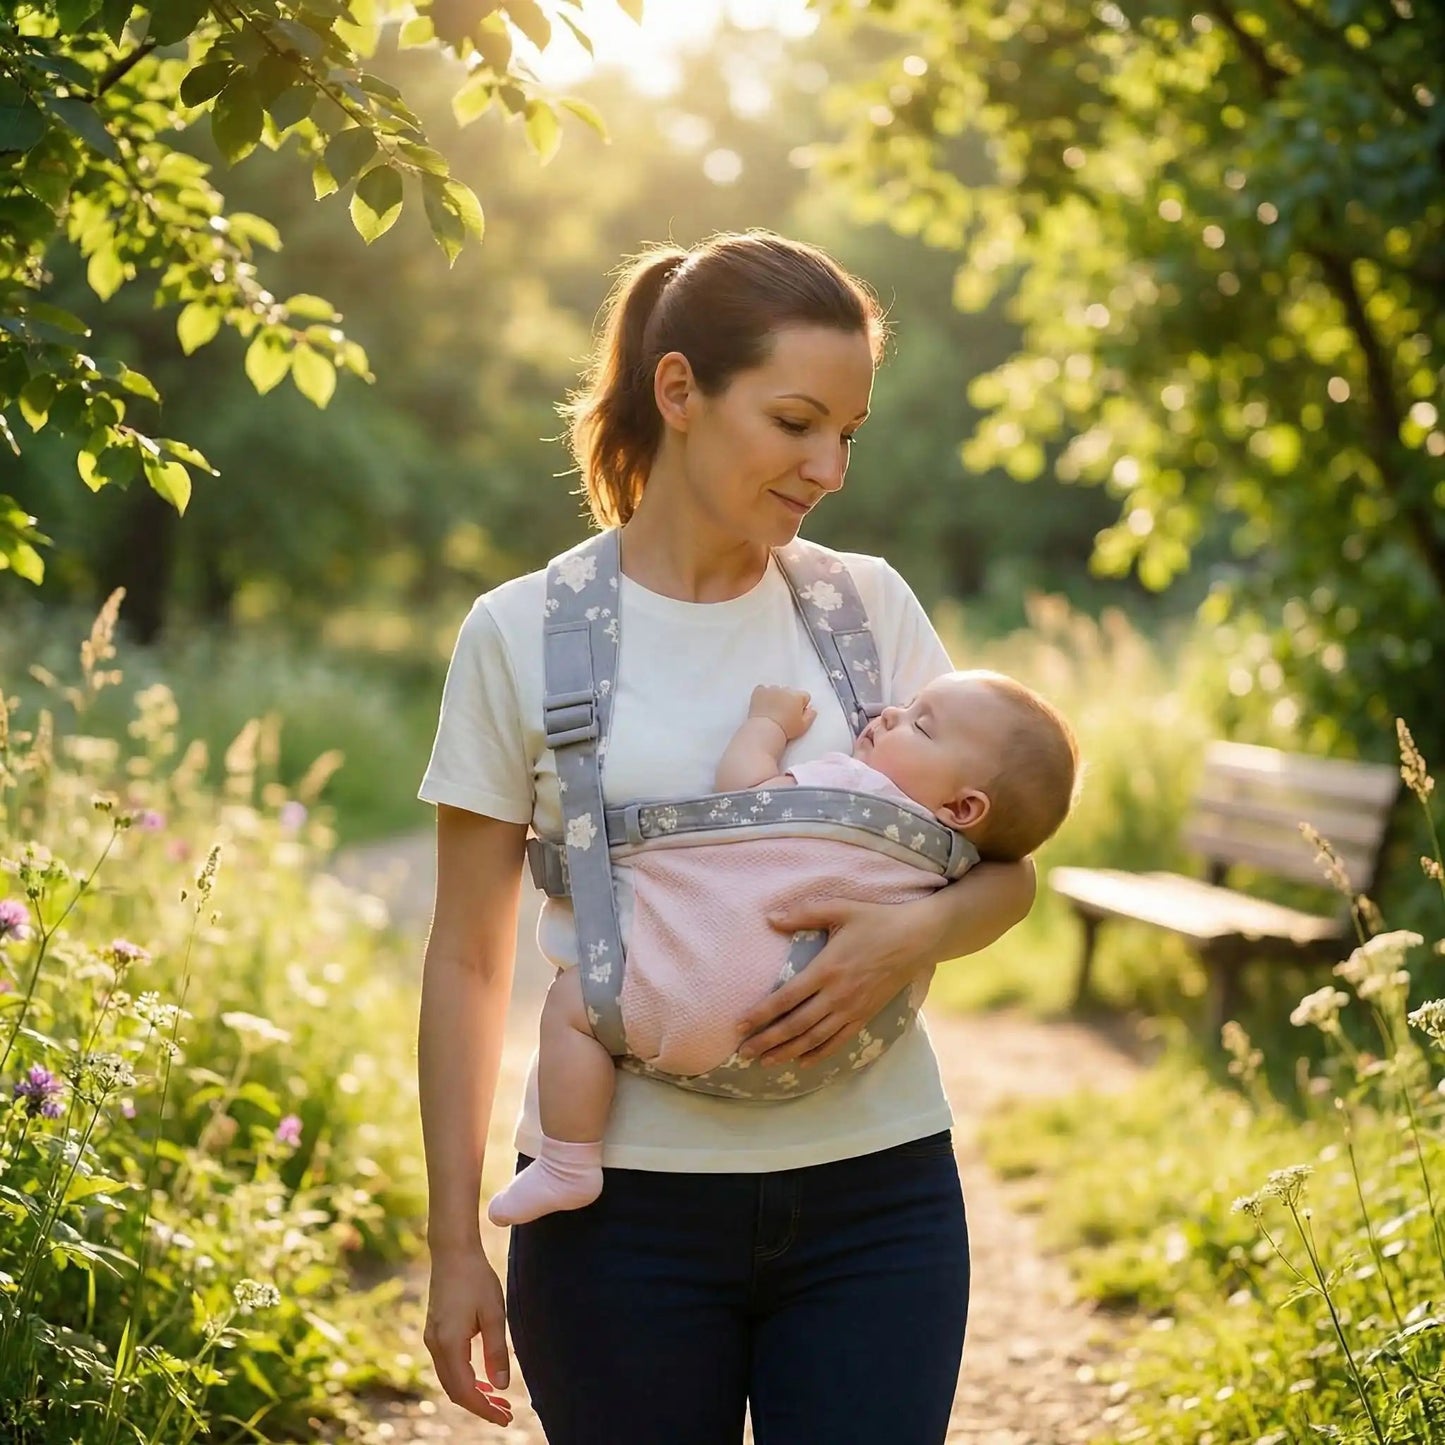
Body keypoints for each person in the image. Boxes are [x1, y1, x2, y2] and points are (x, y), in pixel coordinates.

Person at [415, 229, 1039, 1444]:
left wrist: (900, 937)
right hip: (616, 1221)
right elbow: (466, 959)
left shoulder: (866, 609)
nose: (829, 468)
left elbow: (1006, 872)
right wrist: (451, 1245)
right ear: (678, 390)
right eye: (796, 421)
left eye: (847, 432)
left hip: (877, 1197)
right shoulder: (521, 632)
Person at [486, 669, 1078, 1227]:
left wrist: (766, 724)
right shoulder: (954, 867)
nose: (890, 713)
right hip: (826, 1056)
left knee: (572, 1009)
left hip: (686, 993)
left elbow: (744, 789)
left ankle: (569, 1160)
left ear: (962, 808)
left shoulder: (854, 785)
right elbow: (1009, 883)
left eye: (920, 725)